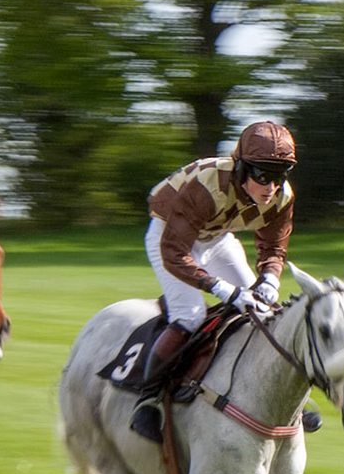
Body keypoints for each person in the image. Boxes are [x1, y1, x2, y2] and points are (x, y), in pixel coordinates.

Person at [129, 119, 319, 442]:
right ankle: (147, 400)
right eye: (262, 174)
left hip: (216, 238)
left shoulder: (282, 197)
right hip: (170, 237)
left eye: (279, 175)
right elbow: (175, 253)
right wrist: (224, 290)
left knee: (263, 309)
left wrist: (270, 279)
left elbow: (273, 246)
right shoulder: (207, 185)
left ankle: (288, 402)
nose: (271, 186)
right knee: (189, 314)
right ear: (242, 168)